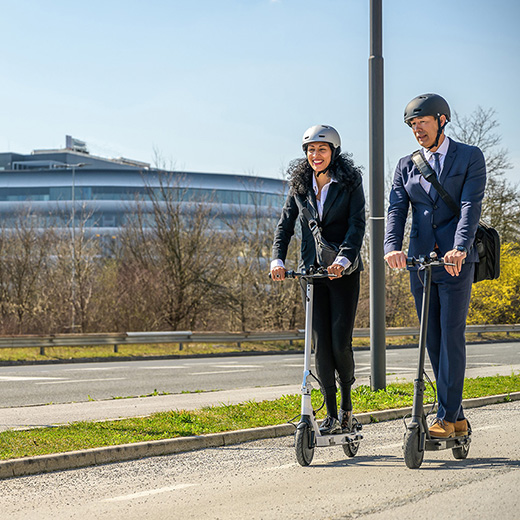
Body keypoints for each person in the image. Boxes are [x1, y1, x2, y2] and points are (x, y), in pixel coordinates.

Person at [384, 93, 486, 438]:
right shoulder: (406, 165)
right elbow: (397, 209)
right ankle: (455, 418)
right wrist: (391, 247)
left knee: (451, 336)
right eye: (413, 125)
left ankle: (445, 416)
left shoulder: (470, 157)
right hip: (420, 261)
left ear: (442, 120)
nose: (417, 130)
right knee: (432, 339)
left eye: (422, 123)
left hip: (456, 263)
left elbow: (471, 205)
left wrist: (460, 247)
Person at [271, 124, 365, 434]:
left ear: (333, 152)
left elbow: (356, 224)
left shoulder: (350, 182)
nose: (316, 155)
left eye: (321, 149)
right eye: (311, 150)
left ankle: (349, 409)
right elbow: (285, 225)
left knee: (340, 343)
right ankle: (331, 415)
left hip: (343, 272)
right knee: (320, 346)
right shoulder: (300, 185)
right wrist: (278, 259)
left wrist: (343, 259)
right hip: (311, 272)